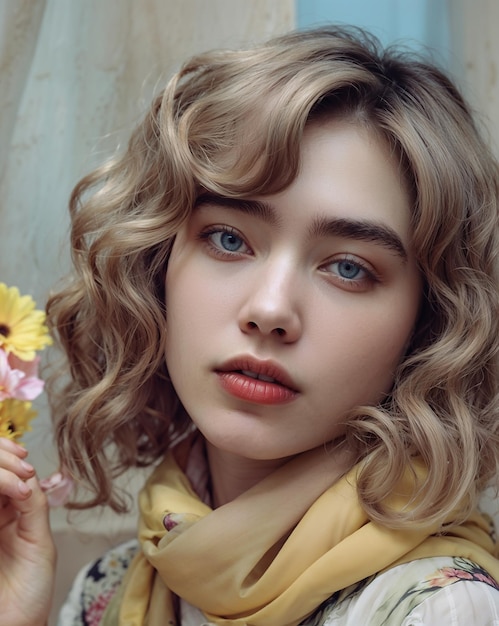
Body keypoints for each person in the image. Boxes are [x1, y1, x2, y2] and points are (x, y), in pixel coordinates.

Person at [1, 25, 498, 626]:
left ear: (428, 325)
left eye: (348, 267)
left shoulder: (441, 609)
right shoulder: (103, 594)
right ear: (157, 267)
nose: (269, 309)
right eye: (229, 239)